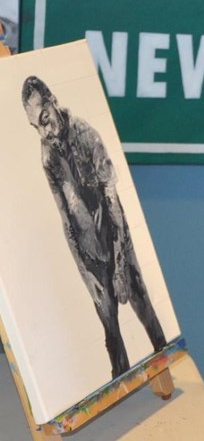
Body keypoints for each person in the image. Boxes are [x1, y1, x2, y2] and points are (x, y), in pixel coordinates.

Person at [22, 75, 167, 378]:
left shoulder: (86, 134)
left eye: (45, 119)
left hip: (115, 239)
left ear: (53, 101)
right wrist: (86, 273)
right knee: (111, 334)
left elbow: (112, 200)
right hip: (90, 253)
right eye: (36, 126)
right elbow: (65, 218)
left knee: (143, 308)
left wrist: (118, 264)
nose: (44, 131)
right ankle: (120, 389)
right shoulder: (47, 155)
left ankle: (164, 364)